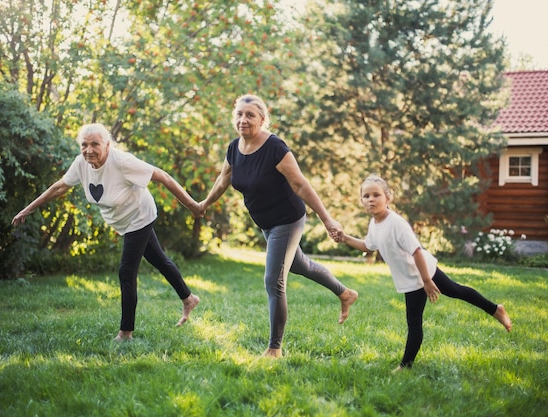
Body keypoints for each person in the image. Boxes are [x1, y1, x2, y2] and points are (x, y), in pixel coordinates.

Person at [199, 94, 359, 358]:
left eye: (250, 115)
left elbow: (300, 185)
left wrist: (327, 219)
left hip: (287, 218)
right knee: (300, 265)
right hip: (266, 223)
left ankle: (274, 348)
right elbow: (223, 179)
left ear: (263, 119)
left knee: (274, 280)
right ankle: (345, 293)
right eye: (239, 114)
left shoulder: (275, 147)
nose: (243, 120)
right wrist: (204, 203)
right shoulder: (233, 149)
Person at [12, 123, 201, 341]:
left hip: (139, 216)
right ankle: (189, 299)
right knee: (158, 259)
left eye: (95, 144)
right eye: (84, 145)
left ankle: (125, 333)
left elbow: (164, 177)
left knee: (126, 271)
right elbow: (59, 187)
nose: (88, 150)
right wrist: (27, 209)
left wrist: (193, 206)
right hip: (122, 221)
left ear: (108, 145)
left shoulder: (122, 162)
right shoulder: (81, 164)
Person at [334, 174, 512, 372]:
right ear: (361, 201)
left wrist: (427, 281)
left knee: (431, 310)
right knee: (449, 294)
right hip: (412, 277)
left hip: (422, 273)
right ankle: (496, 309)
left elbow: (416, 251)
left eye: (376, 195)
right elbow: (368, 245)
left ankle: (405, 366)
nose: (371, 199)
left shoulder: (397, 224)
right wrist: (344, 238)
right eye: (366, 196)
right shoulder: (375, 224)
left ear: (388, 197)